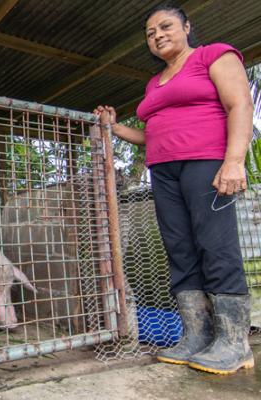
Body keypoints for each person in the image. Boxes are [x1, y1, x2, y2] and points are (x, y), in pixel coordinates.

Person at [94, 2, 254, 375]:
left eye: (165, 27)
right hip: (163, 172)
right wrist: (116, 129)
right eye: (151, 34)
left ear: (186, 27)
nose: (158, 36)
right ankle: (196, 336)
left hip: (206, 163)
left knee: (215, 245)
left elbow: (240, 105)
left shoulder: (213, 55)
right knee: (179, 249)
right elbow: (151, 135)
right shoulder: (155, 82)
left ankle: (235, 343)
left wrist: (233, 161)